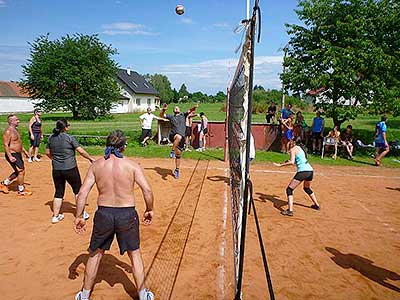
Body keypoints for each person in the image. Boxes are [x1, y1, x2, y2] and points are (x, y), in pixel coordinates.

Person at [73, 130, 154, 300]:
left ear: (107, 145)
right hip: (127, 214)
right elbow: (147, 189)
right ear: (123, 147)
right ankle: (143, 294)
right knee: (135, 254)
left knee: (95, 254)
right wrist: (149, 209)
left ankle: (85, 295)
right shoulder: (132, 165)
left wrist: (79, 216)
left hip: (104, 214)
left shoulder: (96, 165)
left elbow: (82, 194)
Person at [46, 119, 94, 224]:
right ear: (65, 127)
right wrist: (90, 158)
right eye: (68, 125)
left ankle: (55, 216)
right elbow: (81, 151)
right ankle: (81, 214)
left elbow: (47, 152)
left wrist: (55, 159)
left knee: (59, 192)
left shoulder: (51, 138)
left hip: (56, 169)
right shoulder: (69, 138)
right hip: (70, 168)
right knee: (78, 190)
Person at [273, 137, 320, 216]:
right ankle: (316, 205)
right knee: (306, 188)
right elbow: (298, 160)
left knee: (289, 189)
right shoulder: (301, 148)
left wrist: (280, 165)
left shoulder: (293, 149)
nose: (290, 142)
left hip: (303, 172)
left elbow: (292, 162)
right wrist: (287, 162)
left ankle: (290, 210)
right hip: (310, 171)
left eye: (291, 141)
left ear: (294, 142)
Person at [160, 103, 198, 179]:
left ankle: (177, 170)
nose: (176, 108)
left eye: (177, 108)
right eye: (175, 108)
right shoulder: (171, 117)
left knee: (178, 155)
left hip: (182, 139)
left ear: (180, 110)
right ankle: (172, 151)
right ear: (173, 111)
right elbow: (161, 115)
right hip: (173, 136)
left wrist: (194, 107)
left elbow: (190, 110)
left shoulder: (183, 115)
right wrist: (163, 110)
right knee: (178, 136)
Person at [0, 114, 32, 195]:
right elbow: (5, 145)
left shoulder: (15, 130)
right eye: (17, 120)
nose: (19, 121)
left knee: (19, 171)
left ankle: (4, 183)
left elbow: (19, 143)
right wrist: (10, 156)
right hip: (12, 154)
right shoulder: (8, 131)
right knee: (21, 171)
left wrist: (24, 151)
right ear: (11, 121)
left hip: (17, 154)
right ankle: (21, 191)